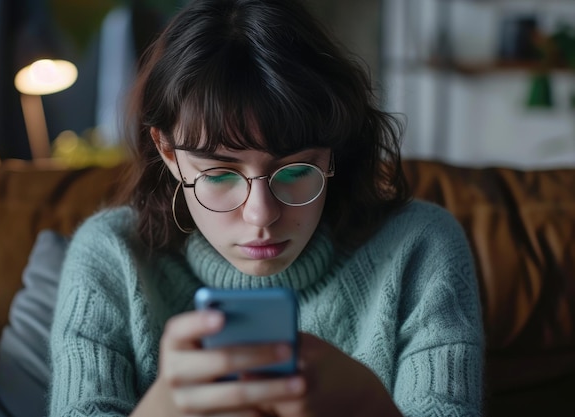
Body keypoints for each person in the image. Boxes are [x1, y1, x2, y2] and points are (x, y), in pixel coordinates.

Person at [48, 0, 484, 415]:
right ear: (167, 152)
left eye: (296, 172)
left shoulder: (420, 249)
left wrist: (368, 404)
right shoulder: (112, 257)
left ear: (332, 152)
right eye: (219, 175)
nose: (261, 216)